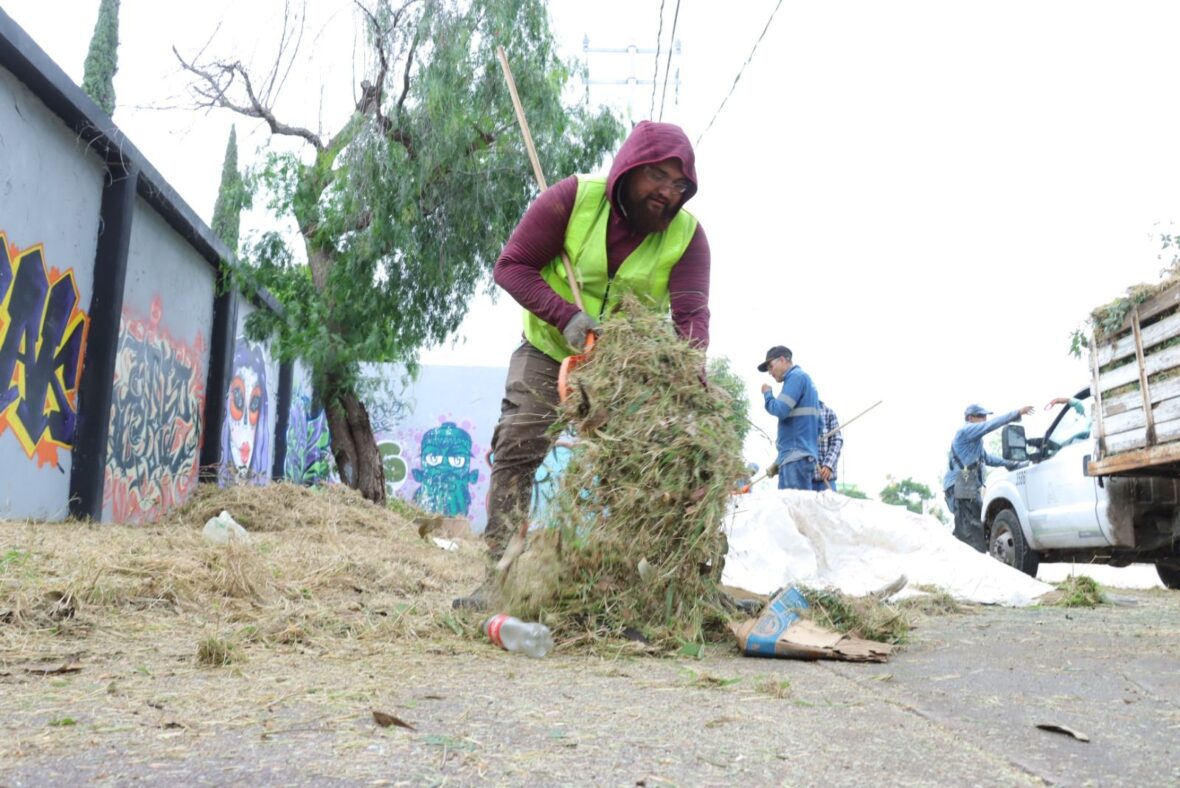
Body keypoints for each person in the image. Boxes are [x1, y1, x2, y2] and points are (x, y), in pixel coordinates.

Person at [457, 121, 710, 609]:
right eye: (657, 176)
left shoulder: (688, 237)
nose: (667, 192)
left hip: (620, 371)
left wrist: (690, 386)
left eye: (680, 185)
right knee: (516, 447)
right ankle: (498, 581)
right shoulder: (574, 199)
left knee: (638, 470)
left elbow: (691, 319)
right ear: (629, 169)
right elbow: (511, 266)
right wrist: (565, 315)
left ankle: (630, 591)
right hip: (549, 350)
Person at [942, 403, 1034, 552]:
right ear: (970, 418)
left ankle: (971, 553)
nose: (984, 419)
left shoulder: (975, 442)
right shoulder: (966, 430)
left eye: (985, 416)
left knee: (975, 521)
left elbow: (988, 458)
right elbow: (990, 426)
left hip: (966, 480)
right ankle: (969, 557)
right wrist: (1017, 413)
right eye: (981, 416)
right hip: (963, 479)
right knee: (968, 526)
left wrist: (1011, 464)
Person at [758, 346, 820, 491]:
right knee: (796, 504)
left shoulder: (796, 377)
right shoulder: (805, 381)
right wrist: (779, 461)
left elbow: (780, 409)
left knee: (794, 504)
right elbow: (818, 426)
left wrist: (767, 394)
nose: (770, 372)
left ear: (782, 360)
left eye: (770, 366)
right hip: (797, 457)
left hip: (795, 458)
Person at [812, 400, 843, 492]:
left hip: (826, 481)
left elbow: (837, 440)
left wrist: (828, 465)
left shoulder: (829, 413)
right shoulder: (795, 415)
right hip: (803, 482)